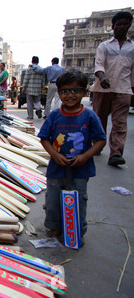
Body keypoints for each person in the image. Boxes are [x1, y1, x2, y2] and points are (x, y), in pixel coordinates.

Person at [37, 71, 106, 242]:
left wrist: (85, 156)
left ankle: (77, 230)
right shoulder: (54, 115)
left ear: (85, 92)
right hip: (56, 168)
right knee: (53, 199)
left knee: (79, 200)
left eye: (75, 90)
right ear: (58, 93)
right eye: (65, 91)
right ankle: (54, 226)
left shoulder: (89, 116)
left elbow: (100, 140)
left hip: (81, 169)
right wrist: (54, 154)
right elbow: (44, 139)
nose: (70, 95)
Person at [91, 11, 133, 167]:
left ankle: (116, 153)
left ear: (129, 25)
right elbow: (99, 64)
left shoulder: (132, 48)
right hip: (103, 89)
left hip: (123, 89)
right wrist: (102, 78)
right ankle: (97, 145)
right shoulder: (105, 46)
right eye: (119, 24)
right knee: (98, 120)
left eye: (125, 24)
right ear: (113, 27)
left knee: (120, 123)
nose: (122, 27)